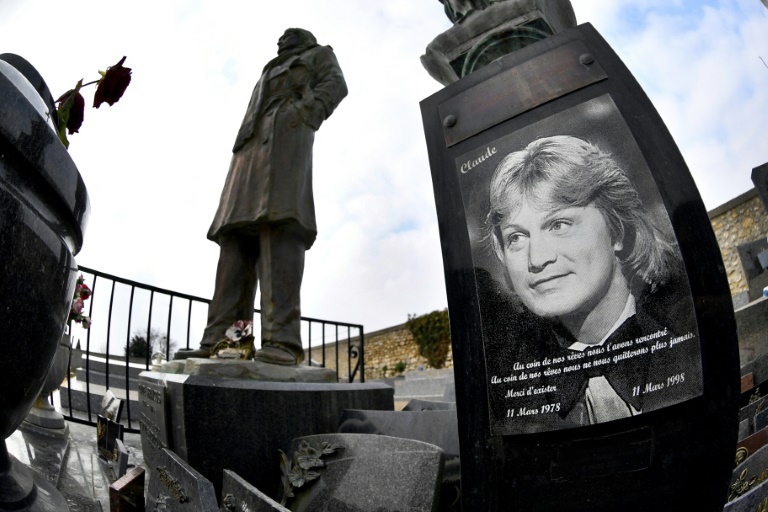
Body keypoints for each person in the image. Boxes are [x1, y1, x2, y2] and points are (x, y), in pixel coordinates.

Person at [482, 135, 700, 428]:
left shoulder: (693, 343)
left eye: (559, 224)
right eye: (517, 237)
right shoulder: (504, 402)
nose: (537, 259)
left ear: (617, 231)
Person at [175, 28, 347, 365]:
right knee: (235, 243)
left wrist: (304, 113)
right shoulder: (269, 68)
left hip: (285, 138)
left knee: (280, 230)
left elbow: (336, 84)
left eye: (286, 36)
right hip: (249, 152)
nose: (280, 40)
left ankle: (282, 341)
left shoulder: (318, 54)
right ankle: (226, 340)